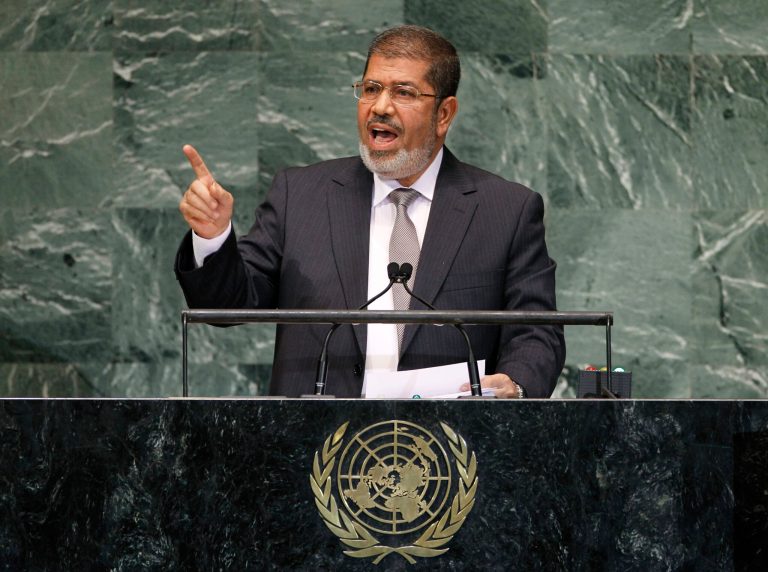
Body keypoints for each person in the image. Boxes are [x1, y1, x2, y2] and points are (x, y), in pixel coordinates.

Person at [175, 25, 565, 398]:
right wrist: (212, 236)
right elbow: (231, 306)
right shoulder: (301, 195)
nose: (380, 106)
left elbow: (536, 331)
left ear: (444, 114)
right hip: (316, 447)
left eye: (404, 92)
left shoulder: (506, 210)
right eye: (371, 89)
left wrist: (515, 383)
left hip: (450, 451)